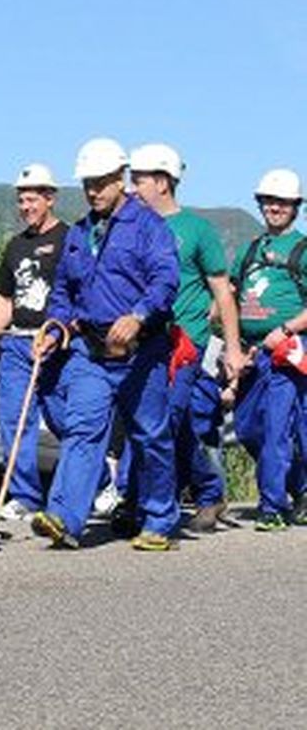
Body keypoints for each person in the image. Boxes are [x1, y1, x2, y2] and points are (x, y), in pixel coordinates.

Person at [31, 139, 179, 550]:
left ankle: (159, 520)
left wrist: (138, 315)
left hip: (141, 351)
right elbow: (63, 290)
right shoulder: (78, 233)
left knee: (149, 435)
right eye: (87, 184)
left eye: (100, 182)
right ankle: (65, 518)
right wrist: (56, 327)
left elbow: (166, 280)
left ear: (120, 179)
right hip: (91, 351)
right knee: (82, 430)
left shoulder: (150, 227)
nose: (93, 191)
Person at [113, 145, 244, 533]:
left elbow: (223, 291)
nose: (132, 188)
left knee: (163, 417)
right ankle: (208, 490)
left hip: (187, 341)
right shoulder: (129, 225)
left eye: (139, 180)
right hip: (145, 339)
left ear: (163, 181)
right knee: (170, 419)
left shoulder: (197, 230)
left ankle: (140, 500)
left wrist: (233, 348)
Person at [0, 163, 69, 528]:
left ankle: (99, 484)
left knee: (63, 418)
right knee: (12, 418)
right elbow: (4, 300)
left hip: (56, 343)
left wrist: (61, 334)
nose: (25, 206)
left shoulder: (69, 240)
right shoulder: (15, 246)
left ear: (50, 198)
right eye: (21, 200)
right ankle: (25, 495)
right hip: (17, 343)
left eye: (32, 199)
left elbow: (77, 294)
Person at [228, 168, 307, 531]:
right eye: (268, 201)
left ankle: (271, 506)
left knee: (277, 426)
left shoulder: (303, 249)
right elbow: (229, 297)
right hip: (253, 351)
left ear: (295, 207)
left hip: (289, 350)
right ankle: (300, 487)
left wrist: (285, 329)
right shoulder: (249, 250)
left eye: (282, 202)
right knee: (246, 427)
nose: (274, 208)